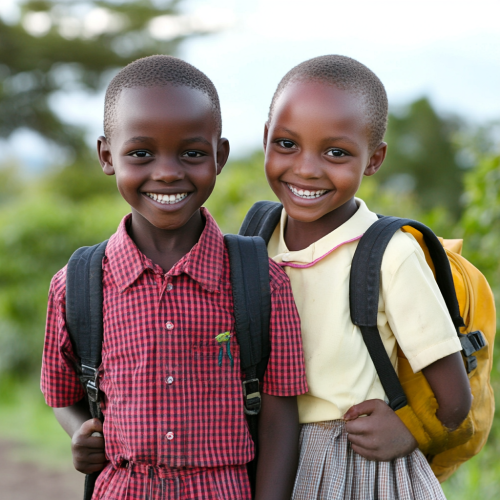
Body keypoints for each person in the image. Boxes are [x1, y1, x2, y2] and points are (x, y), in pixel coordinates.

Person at [41, 55, 308, 500]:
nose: (167, 171)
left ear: (219, 156)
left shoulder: (260, 280)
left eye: (192, 153)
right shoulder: (77, 285)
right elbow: (61, 391)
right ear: (108, 156)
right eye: (141, 153)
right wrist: (79, 433)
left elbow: (281, 415)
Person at [260, 55, 472, 499]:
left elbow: (455, 400)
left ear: (374, 159)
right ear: (265, 139)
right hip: (265, 455)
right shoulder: (254, 241)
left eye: (336, 152)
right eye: (286, 144)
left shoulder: (390, 255)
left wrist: (412, 430)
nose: (306, 168)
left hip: (354, 465)